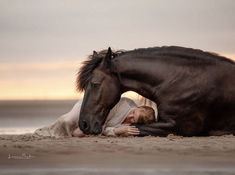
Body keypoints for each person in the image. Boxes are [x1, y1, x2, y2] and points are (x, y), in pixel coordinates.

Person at [34, 97, 157, 138]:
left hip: (97, 125)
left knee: (77, 133)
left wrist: (116, 131)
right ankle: (51, 133)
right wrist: (107, 129)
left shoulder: (129, 126)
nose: (130, 117)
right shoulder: (125, 103)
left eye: (133, 119)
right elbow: (102, 115)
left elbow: (105, 130)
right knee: (66, 121)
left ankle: (66, 137)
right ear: (139, 107)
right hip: (90, 107)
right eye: (133, 113)